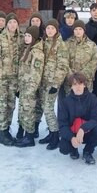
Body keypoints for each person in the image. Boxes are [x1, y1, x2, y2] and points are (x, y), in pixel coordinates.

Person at [58, 72, 97, 165]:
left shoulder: (92, 98)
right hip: (73, 132)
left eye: (80, 83)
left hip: (87, 132)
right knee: (63, 148)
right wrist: (71, 138)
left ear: (84, 85)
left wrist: (83, 128)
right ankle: (73, 150)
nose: (78, 86)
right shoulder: (65, 102)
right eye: (75, 84)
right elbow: (62, 124)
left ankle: (87, 151)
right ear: (71, 86)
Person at [0, 12, 24, 146]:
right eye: (10, 22)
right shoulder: (0, 38)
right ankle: (2, 131)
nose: (12, 25)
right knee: (2, 104)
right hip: (2, 77)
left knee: (11, 104)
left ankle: (7, 129)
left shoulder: (21, 38)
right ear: (7, 24)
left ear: (17, 24)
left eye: (14, 22)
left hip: (15, 78)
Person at [38, 19, 69, 150]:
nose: (50, 31)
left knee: (48, 107)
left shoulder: (61, 45)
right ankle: (52, 132)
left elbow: (63, 66)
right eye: (48, 28)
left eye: (52, 28)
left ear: (57, 30)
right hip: (43, 81)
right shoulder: (43, 42)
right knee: (45, 107)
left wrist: (56, 84)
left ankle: (56, 135)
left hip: (53, 83)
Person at [15, 26, 45, 147]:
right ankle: (25, 135)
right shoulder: (28, 49)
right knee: (23, 111)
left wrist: (30, 90)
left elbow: (36, 73)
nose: (26, 38)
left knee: (29, 112)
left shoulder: (37, 53)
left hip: (29, 88)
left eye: (29, 36)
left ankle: (30, 137)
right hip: (23, 86)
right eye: (26, 36)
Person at [64, 20, 97, 93]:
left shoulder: (91, 45)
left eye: (80, 29)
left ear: (84, 30)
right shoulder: (66, 44)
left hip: (86, 82)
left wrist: (82, 76)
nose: (78, 31)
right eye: (76, 29)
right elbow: (64, 61)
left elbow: (94, 62)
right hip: (70, 82)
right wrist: (71, 75)